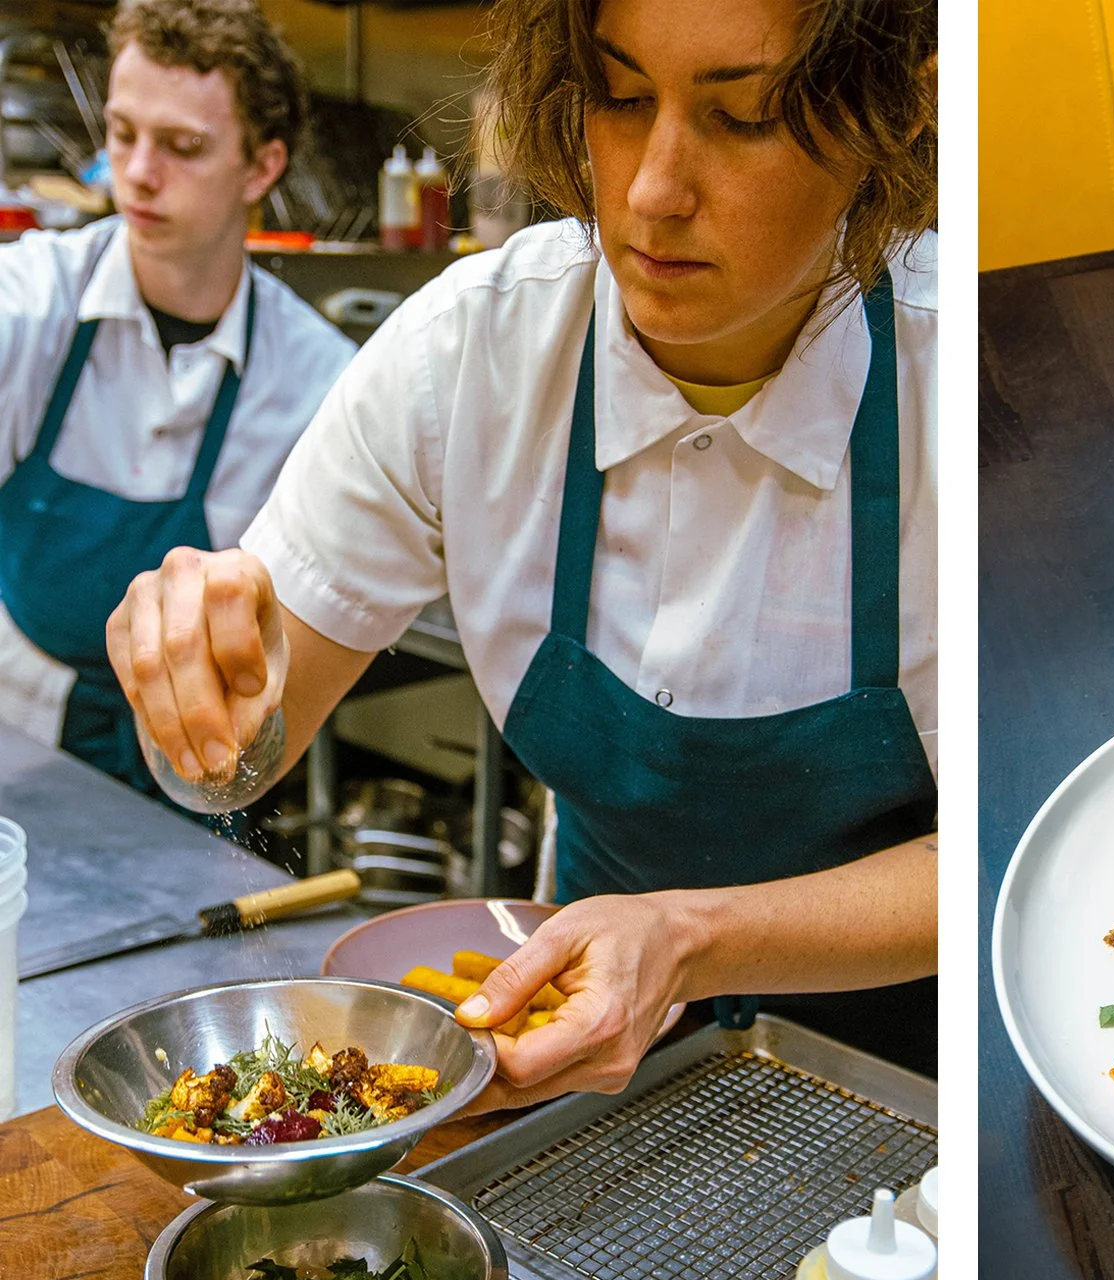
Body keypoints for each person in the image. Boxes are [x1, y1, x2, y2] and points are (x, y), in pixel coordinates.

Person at [107, 0, 939, 1102]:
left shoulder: (954, 379)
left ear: (901, 115)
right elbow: (243, 757)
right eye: (622, 97)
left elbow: (991, 845)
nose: (650, 190)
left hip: (902, 1093)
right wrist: (196, 686)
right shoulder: (474, 351)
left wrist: (692, 939)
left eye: (743, 117)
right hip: (569, 1065)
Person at [0, 0, 352, 793]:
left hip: (196, 767)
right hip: (13, 741)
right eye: (123, 134)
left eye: (183, 147)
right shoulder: (34, 302)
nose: (139, 173)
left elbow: (284, 664)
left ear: (261, 167)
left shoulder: (313, 383)